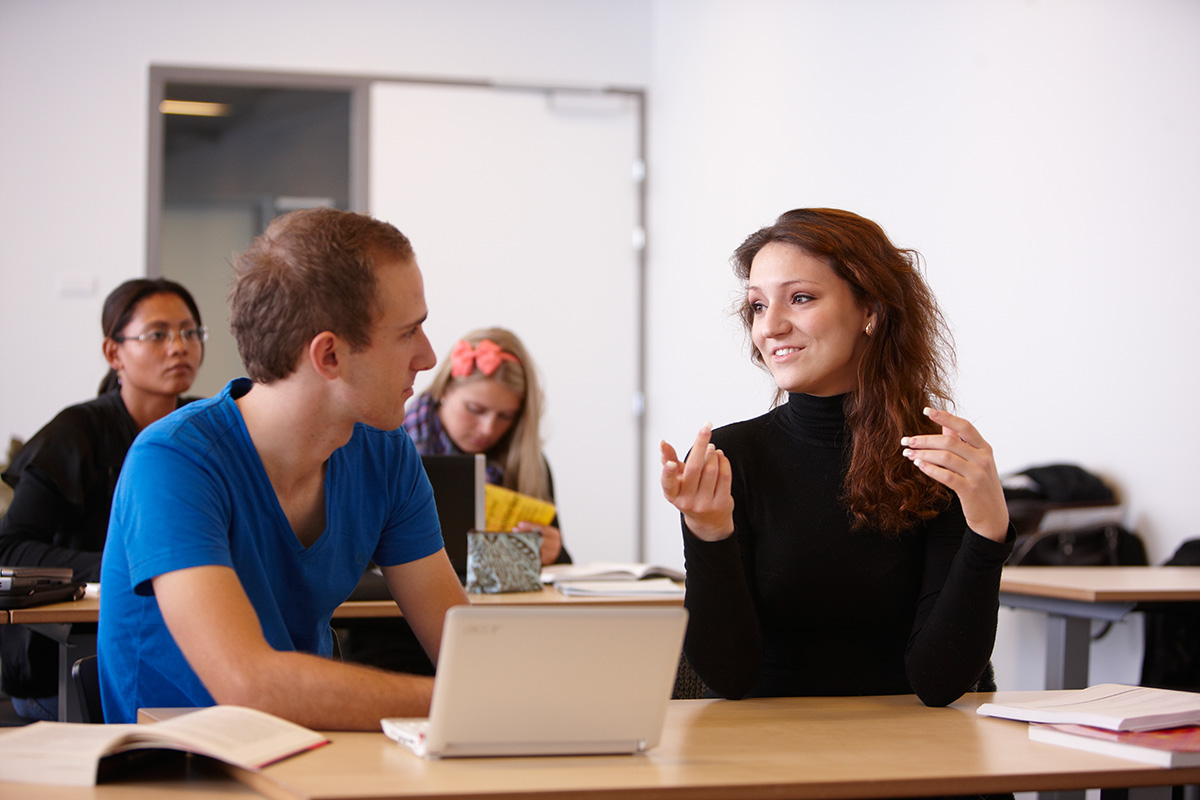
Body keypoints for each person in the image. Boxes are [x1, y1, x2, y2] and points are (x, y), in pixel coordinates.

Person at [97, 208, 469, 728]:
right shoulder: (174, 460)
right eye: (409, 332)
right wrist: (464, 700)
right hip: (185, 771)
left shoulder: (386, 453)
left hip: (312, 751)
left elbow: (462, 644)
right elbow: (249, 686)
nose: (429, 358)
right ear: (330, 356)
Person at [660, 208, 1014, 707]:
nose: (771, 327)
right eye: (758, 307)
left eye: (800, 298)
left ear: (870, 309)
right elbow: (729, 677)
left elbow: (939, 682)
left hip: (912, 755)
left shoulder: (936, 457)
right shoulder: (730, 457)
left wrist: (989, 529)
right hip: (759, 756)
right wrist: (709, 532)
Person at [0, 278, 205, 721]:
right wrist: (127, 568)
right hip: (61, 660)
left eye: (190, 332)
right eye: (158, 334)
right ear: (114, 353)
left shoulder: (204, 427)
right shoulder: (75, 433)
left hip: (177, 648)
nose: (179, 346)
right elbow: (9, 549)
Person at [403, 327, 570, 566]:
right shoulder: (391, 449)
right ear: (445, 390)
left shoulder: (528, 464)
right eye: (475, 410)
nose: (487, 429)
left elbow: (563, 568)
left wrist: (554, 553)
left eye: (505, 416)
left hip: (500, 603)